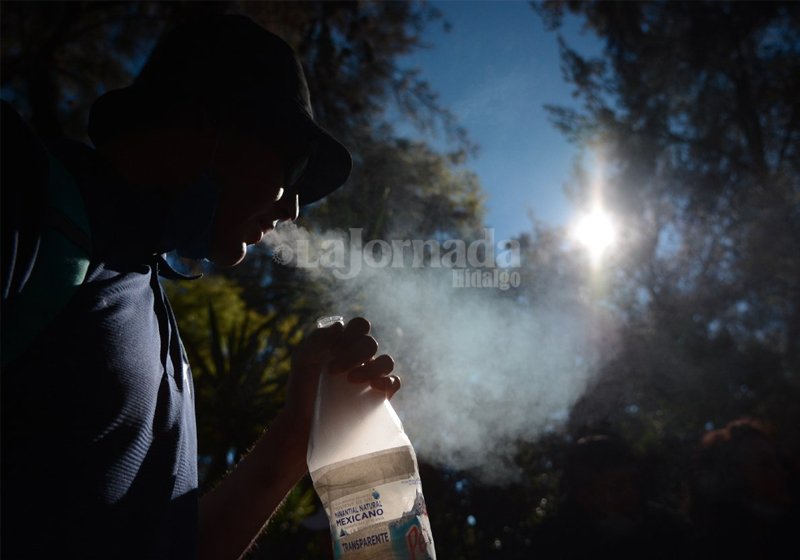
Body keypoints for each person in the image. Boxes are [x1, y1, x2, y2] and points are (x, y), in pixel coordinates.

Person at [1, 14, 399, 560]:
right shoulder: (25, 192)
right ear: (211, 119)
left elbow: (182, 548)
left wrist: (298, 426)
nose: (293, 208)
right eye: (295, 164)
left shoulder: (153, 317)